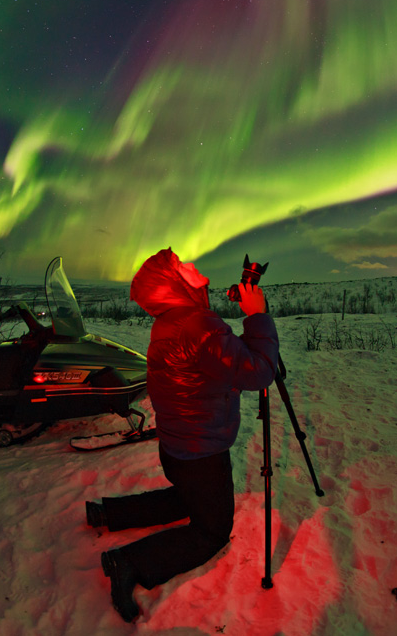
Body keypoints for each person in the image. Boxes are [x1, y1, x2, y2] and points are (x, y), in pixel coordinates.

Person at [87, 247, 278, 622]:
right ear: (174, 285)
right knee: (212, 529)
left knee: (188, 498)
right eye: (181, 268)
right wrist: (258, 317)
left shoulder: (172, 321)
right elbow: (257, 372)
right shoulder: (197, 325)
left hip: (178, 445)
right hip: (201, 449)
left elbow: (215, 362)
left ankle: (109, 512)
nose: (193, 268)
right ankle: (128, 562)